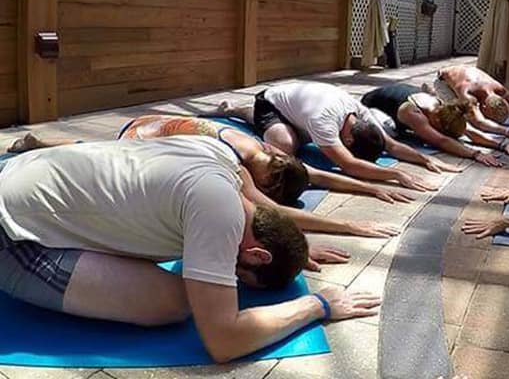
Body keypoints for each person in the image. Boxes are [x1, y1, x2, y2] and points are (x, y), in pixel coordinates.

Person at [0, 136, 380, 363]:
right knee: (175, 302)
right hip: (12, 234)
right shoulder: (218, 214)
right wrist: (320, 305)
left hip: (22, 171)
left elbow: (268, 212)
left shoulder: (222, 163)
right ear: (255, 255)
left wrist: (295, 246)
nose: (232, 280)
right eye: (240, 276)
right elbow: (224, 340)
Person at [7, 114, 411, 241]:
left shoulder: (267, 153)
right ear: (270, 180)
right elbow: (265, 210)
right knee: (94, 157)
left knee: (87, 151)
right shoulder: (243, 162)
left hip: (158, 128)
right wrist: (350, 225)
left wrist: (372, 186)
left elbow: (320, 176)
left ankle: (39, 143)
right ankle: (38, 144)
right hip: (142, 137)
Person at [218, 81, 459, 192]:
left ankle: (247, 112)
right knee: (285, 145)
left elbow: (393, 145)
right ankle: (241, 111)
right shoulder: (323, 122)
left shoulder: (361, 114)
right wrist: (396, 174)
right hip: (271, 101)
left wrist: (424, 160)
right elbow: (349, 165)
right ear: (349, 141)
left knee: (302, 136)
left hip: (301, 108)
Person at [360, 83, 509, 168]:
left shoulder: (445, 108)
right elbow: (441, 141)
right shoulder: (414, 114)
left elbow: (470, 131)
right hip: (370, 107)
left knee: (419, 135)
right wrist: (475, 154)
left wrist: (501, 144)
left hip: (398, 106)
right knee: (392, 134)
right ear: (436, 123)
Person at [430, 65, 509, 139]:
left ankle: (433, 93)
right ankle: (434, 94)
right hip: (443, 81)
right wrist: (507, 131)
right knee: (459, 115)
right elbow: (479, 122)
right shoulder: (469, 96)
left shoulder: (501, 90)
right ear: (483, 107)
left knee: (466, 110)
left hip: (467, 77)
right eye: (490, 116)